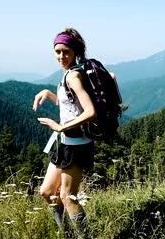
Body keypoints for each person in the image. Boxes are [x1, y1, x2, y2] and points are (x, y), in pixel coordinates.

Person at [33, 28, 96, 238]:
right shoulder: (68, 74)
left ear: (75, 52)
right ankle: (67, 235)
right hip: (65, 142)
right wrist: (48, 93)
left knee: (68, 196)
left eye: (66, 52)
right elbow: (69, 104)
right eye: (57, 51)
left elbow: (90, 111)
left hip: (76, 144)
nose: (61, 56)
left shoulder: (74, 76)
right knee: (47, 192)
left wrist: (60, 127)